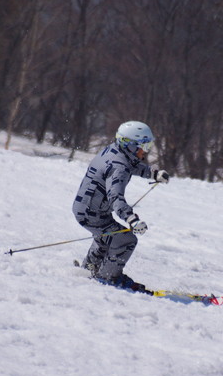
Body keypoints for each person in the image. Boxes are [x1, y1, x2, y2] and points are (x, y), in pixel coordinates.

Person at [72, 121, 170, 291]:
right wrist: (131, 219)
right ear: (131, 145)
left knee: (106, 238)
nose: (146, 151)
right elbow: (115, 197)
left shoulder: (115, 151)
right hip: (92, 213)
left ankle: (90, 269)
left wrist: (152, 173)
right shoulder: (118, 167)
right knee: (126, 239)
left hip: (88, 208)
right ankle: (108, 277)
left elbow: (131, 164)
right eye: (144, 146)